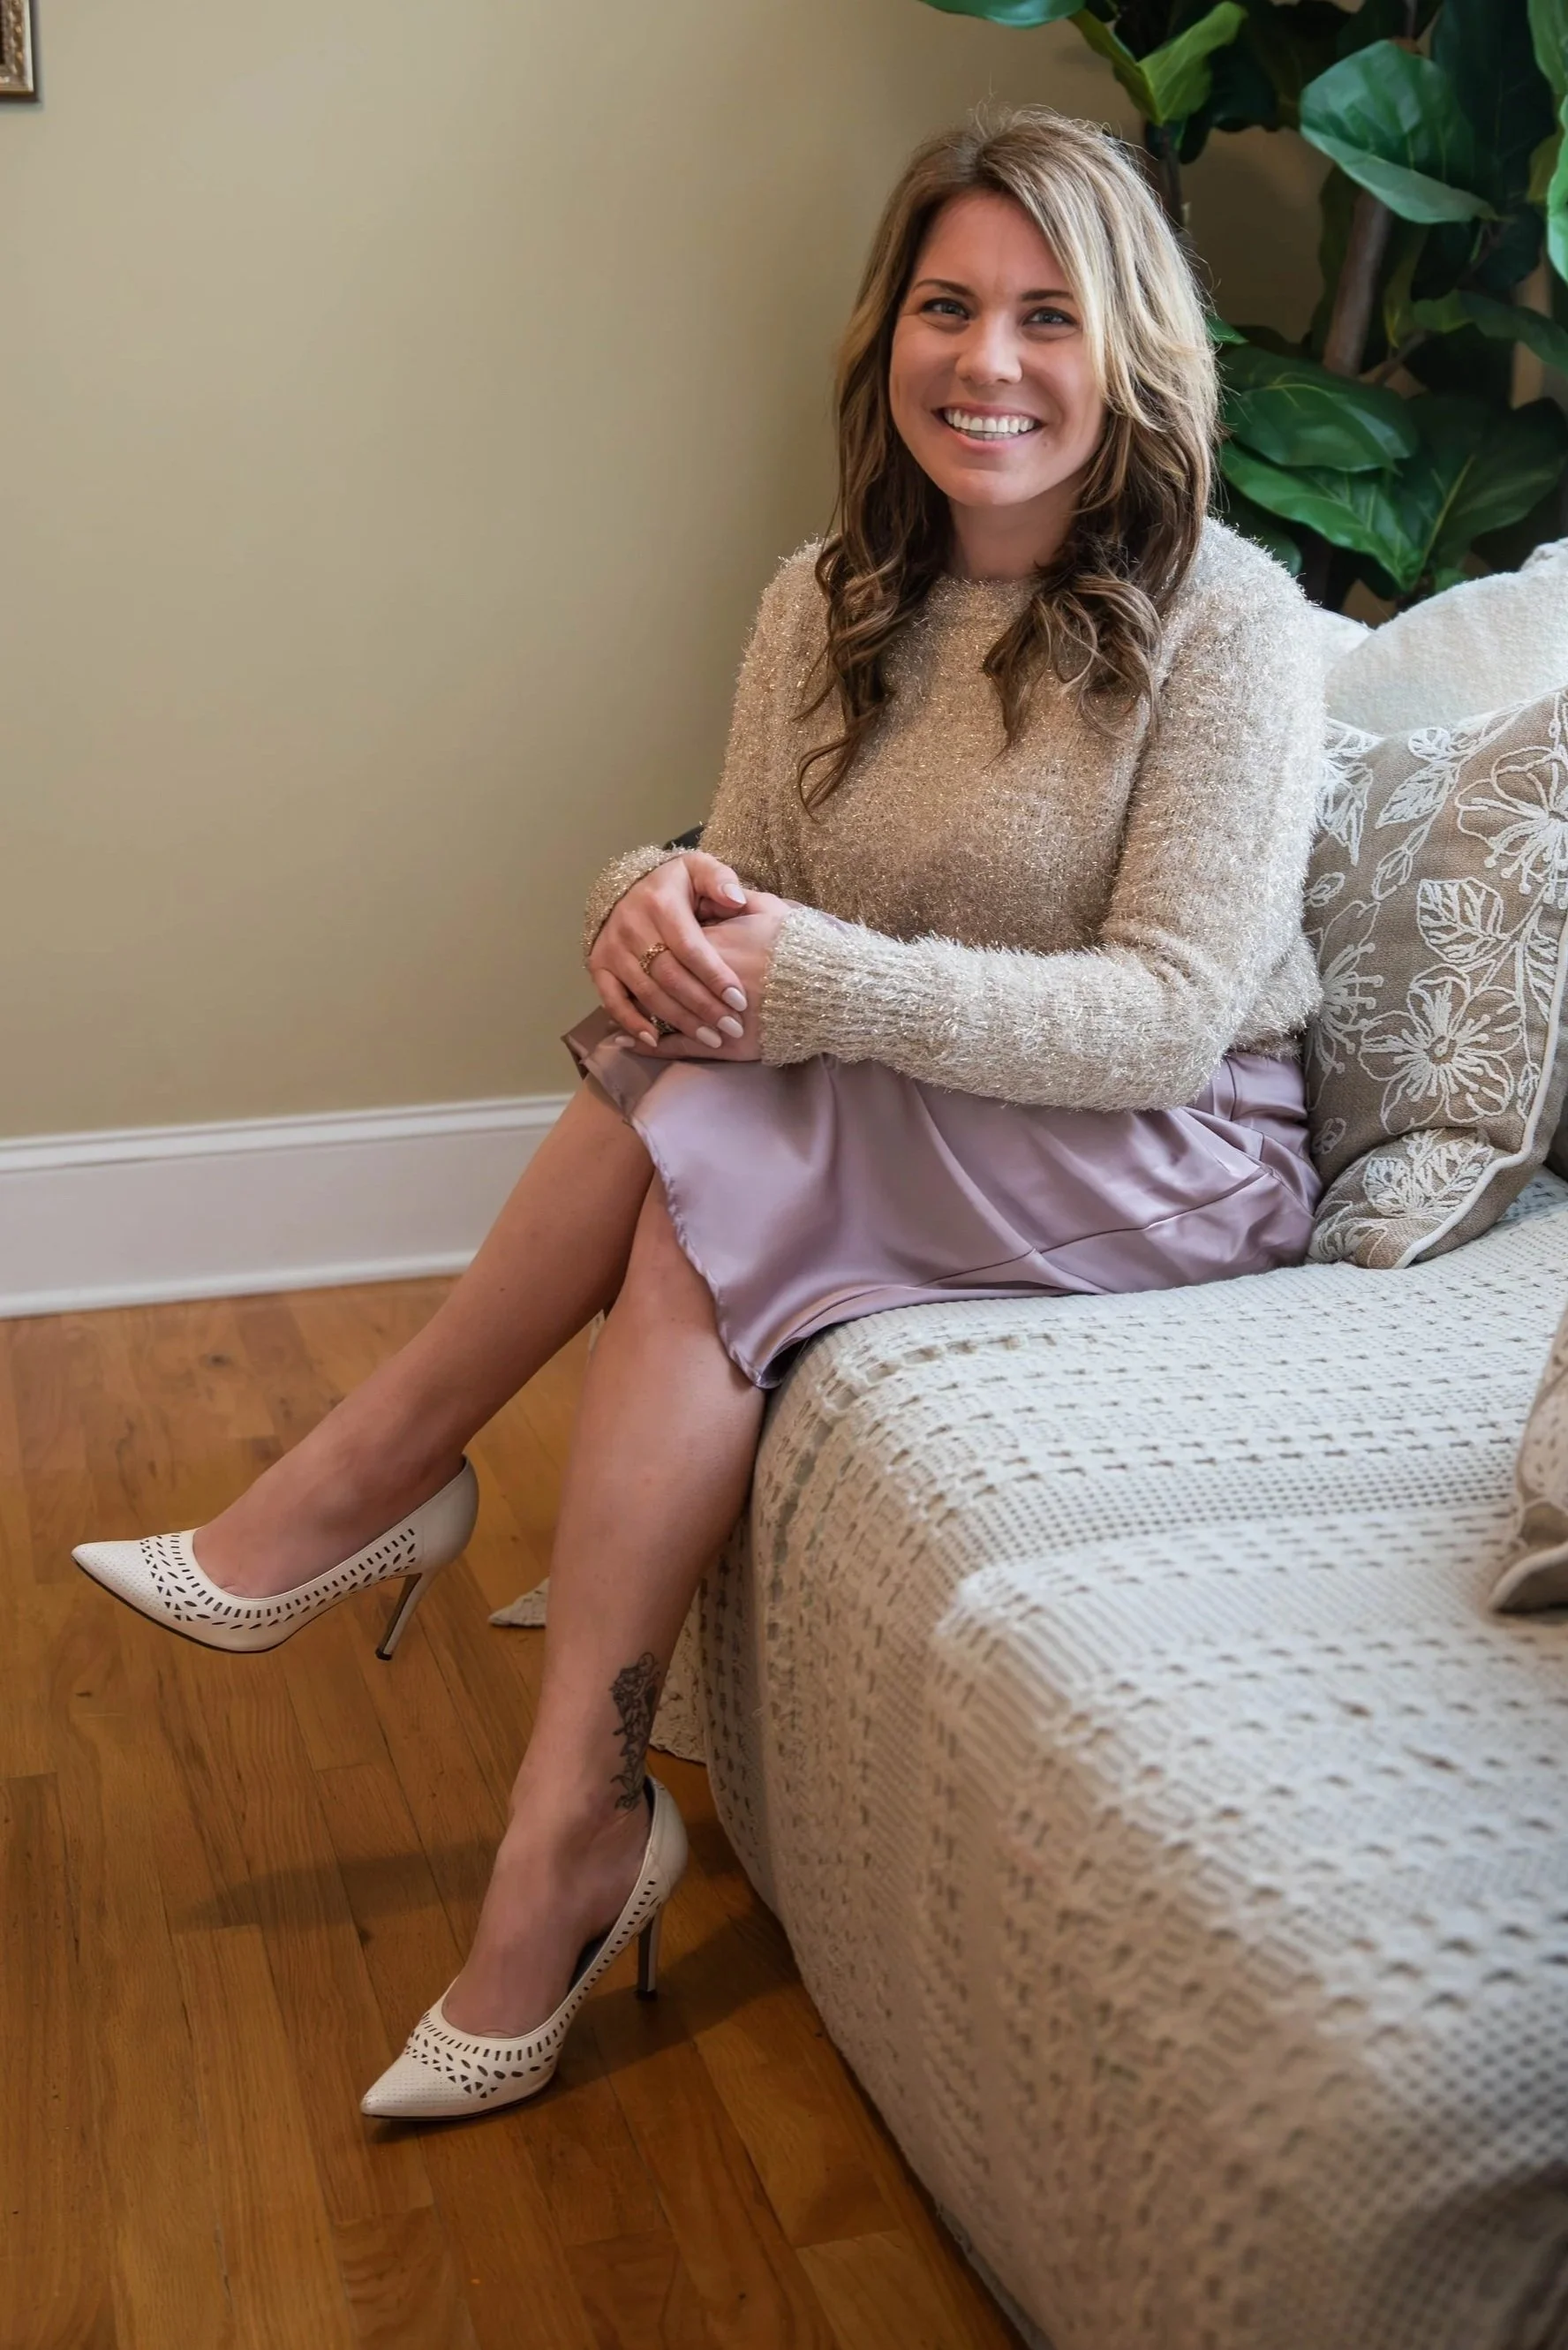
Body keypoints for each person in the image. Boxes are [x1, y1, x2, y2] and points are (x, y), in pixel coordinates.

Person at [74, 104, 1325, 2121]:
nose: (986, 362)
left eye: (1044, 316)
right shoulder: (821, 597)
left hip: (1177, 1151)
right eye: (944, 305)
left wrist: (793, 979)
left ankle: (385, 1488)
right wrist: (640, 901)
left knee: (712, 1110)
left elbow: (1168, 1022)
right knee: (694, 1124)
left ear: (1129, 356)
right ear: (883, 336)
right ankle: (566, 1821)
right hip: (924, 1103)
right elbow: (734, 877)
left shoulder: (1231, 623)